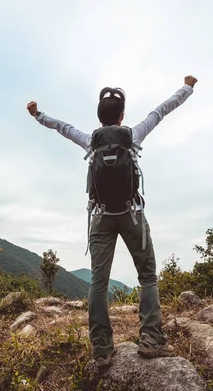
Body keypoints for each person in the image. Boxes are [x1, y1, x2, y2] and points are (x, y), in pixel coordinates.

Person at [26, 75, 198, 368]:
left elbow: (62, 128)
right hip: (132, 215)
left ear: (99, 116)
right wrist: (187, 87)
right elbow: (162, 110)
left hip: (101, 217)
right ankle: (150, 340)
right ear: (121, 116)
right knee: (147, 276)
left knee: (98, 282)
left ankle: (102, 350)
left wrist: (37, 114)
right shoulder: (132, 135)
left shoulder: (90, 140)